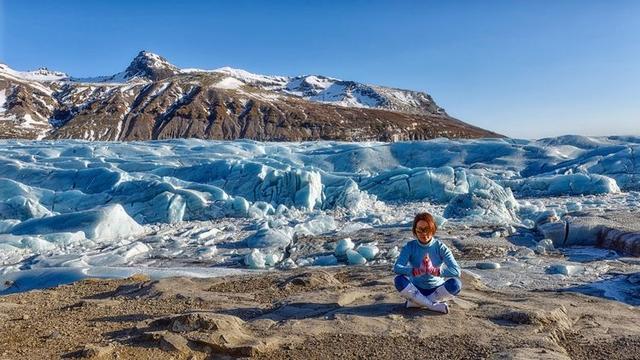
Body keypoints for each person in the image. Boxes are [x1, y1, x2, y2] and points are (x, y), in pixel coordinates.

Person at [393, 212, 462, 314]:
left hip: (436, 290)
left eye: (426, 230)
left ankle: (417, 302)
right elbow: (397, 268)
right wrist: (415, 271)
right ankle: (432, 305)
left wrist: (434, 271)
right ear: (415, 231)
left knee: (456, 284)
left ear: (433, 229)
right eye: (419, 230)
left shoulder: (440, 247)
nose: (423, 234)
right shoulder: (410, 247)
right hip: (416, 289)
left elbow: (456, 271)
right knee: (398, 280)